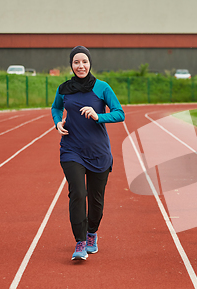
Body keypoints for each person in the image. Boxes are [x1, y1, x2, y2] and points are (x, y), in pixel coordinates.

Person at [51, 46, 125, 260]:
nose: (80, 66)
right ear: (71, 65)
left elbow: (120, 113)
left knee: (96, 200)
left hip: (98, 151)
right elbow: (56, 107)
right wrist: (57, 122)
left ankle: (92, 233)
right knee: (77, 194)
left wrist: (98, 116)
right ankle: (80, 242)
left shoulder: (102, 87)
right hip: (71, 149)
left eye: (84, 61)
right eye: (76, 62)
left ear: (90, 63)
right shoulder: (64, 88)